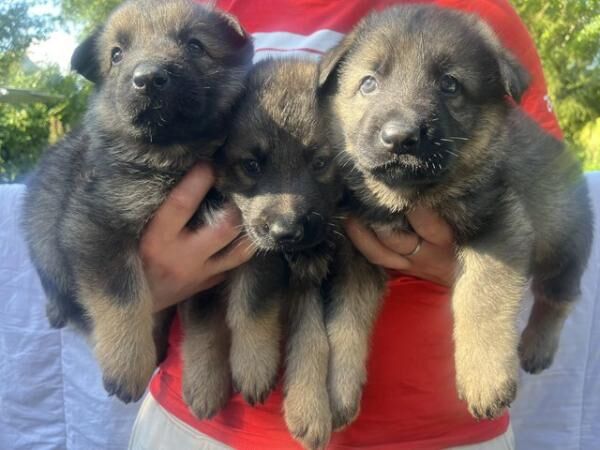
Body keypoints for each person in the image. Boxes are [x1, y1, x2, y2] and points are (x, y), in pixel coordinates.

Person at [129, 0, 563, 448]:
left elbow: (551, 215)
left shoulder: (475, 16)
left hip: (439, 429)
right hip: (203, 427)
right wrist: (139, 282)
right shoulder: (201, 13)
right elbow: (123, 161)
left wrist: (478, 262)